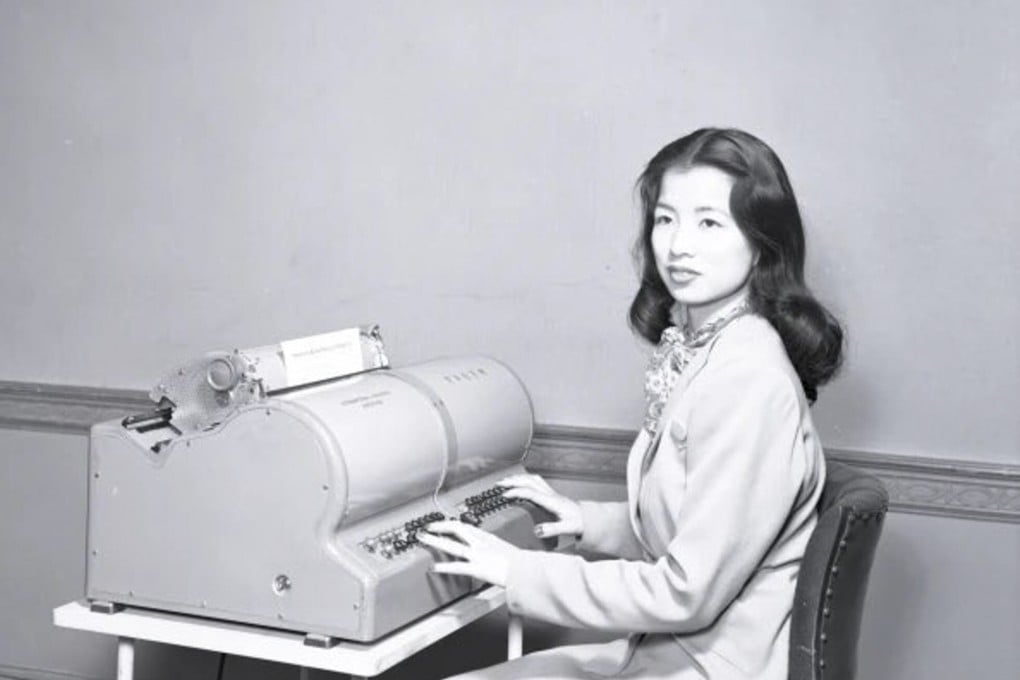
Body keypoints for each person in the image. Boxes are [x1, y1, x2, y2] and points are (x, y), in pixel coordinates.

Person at [417, 128, 844, 680]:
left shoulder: (749, 379)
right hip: (674, 651)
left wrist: (517, 570)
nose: (679, 245)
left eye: (709, 223)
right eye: (666, 219)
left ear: (762, 242)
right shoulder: (715, 347)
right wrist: (584, 522)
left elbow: (686, 593)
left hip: (710, 666)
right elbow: (697, 525)